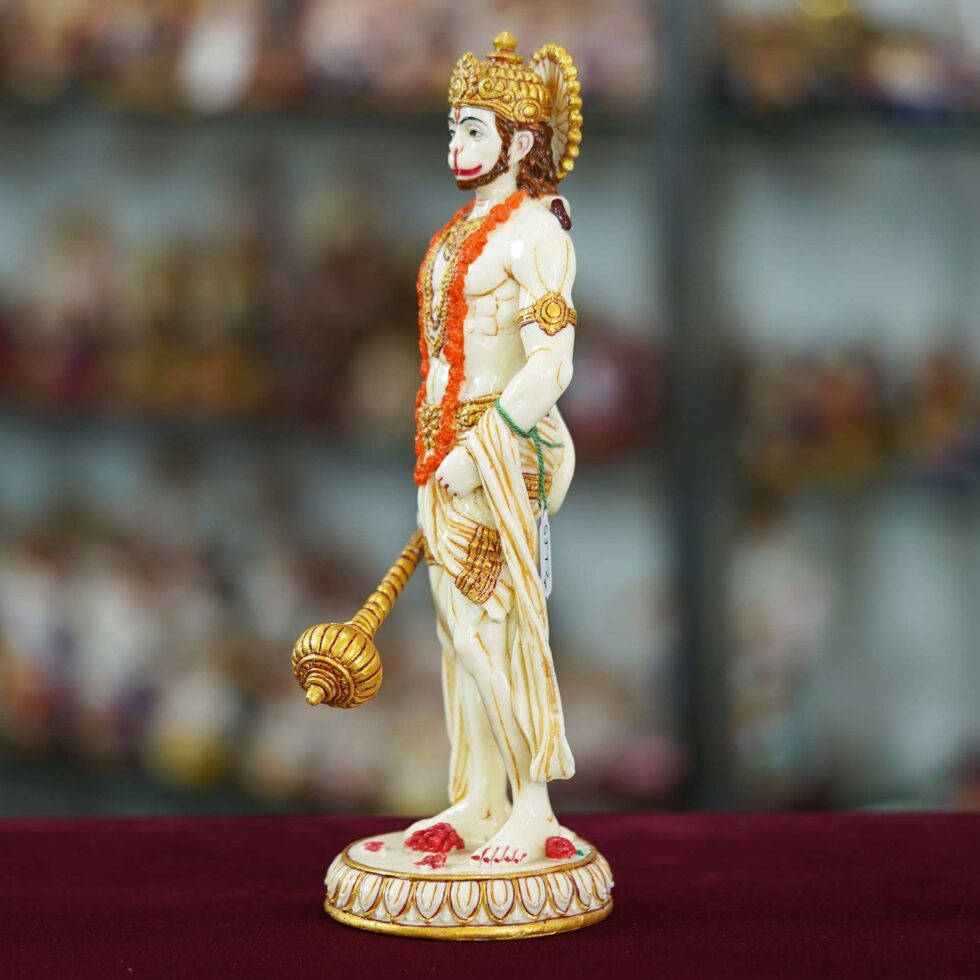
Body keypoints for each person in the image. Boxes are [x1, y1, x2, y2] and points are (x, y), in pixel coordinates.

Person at [409, 31, 584, 865]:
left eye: (474, 129)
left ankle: (534, 806)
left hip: (501, 448)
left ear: (518, 144)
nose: (457, 144)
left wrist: (482, 448)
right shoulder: (460, 230)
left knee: (493, 635)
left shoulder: (537, 234)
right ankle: (480, 797)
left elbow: (552, 365)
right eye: (454, 127)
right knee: (456, 633)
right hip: (442, 443)